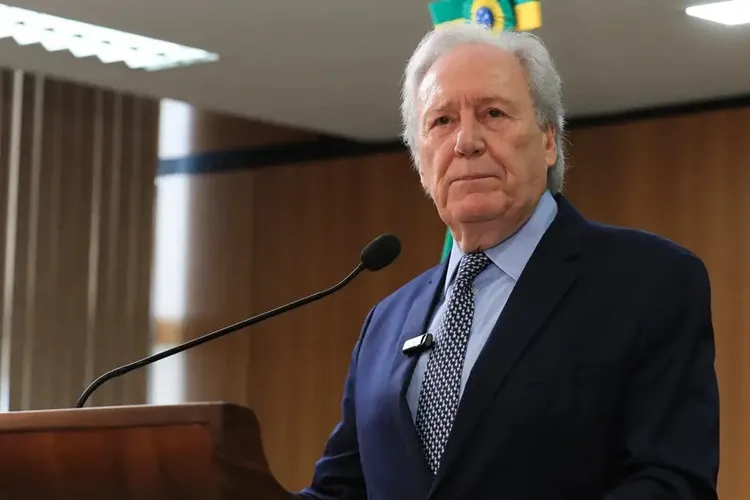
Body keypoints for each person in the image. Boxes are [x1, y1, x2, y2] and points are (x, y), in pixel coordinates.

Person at [297, 22, 720, 500]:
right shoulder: (384, 324)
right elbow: (339, 491)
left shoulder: (648, 282)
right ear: (420, 162)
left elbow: (673, 482)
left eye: (493, 113)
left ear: (548, 139)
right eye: (442, 121)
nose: (466, 141)